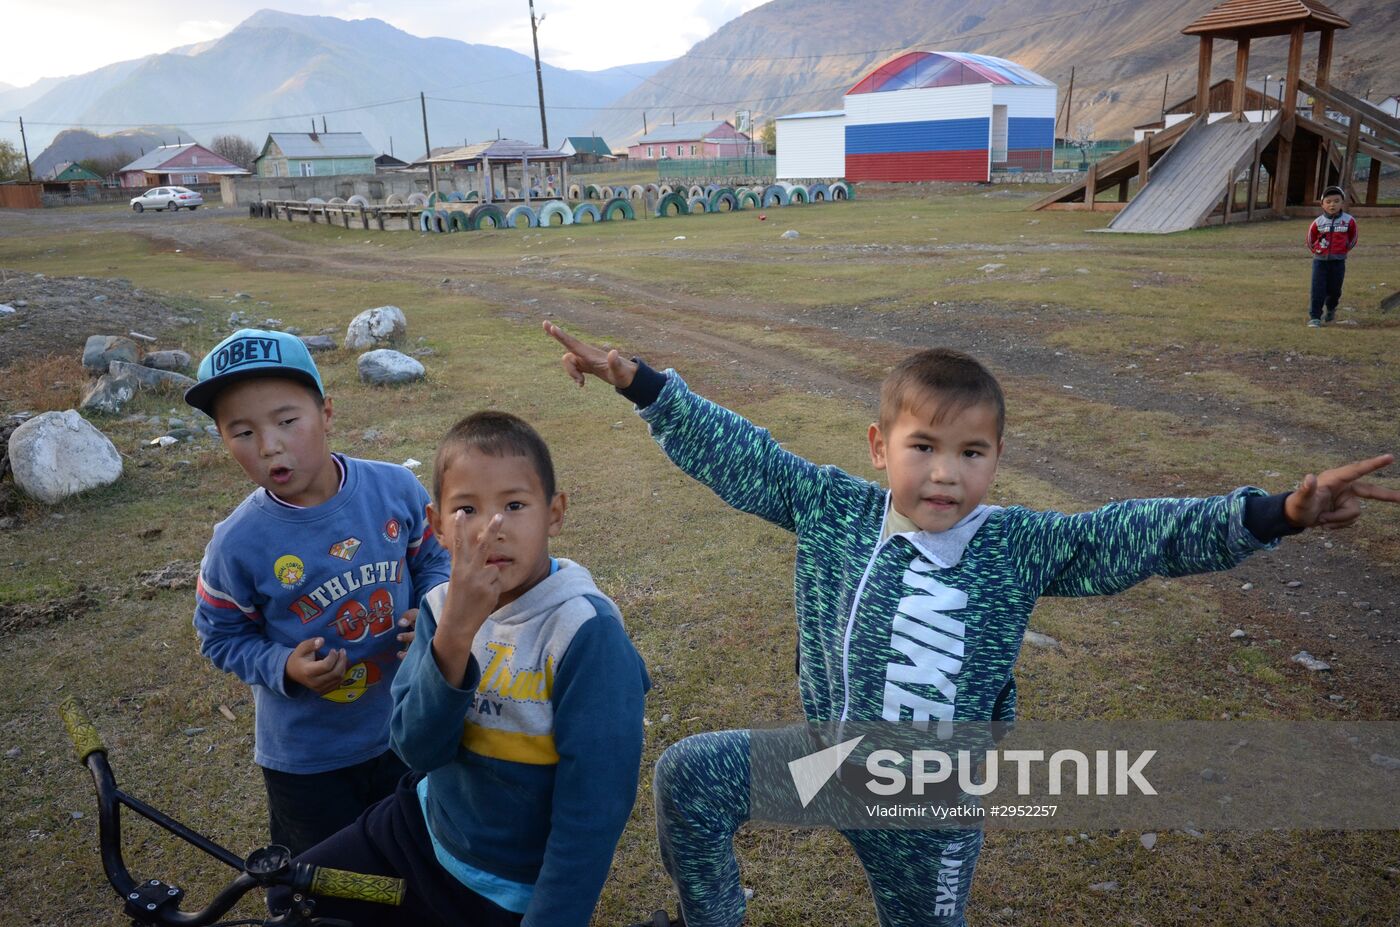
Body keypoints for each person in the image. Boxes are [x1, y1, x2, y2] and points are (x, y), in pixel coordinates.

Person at [543, 320, 1398, 927]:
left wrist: (1276, 512)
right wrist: (641, 384)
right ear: (880, 447)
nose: (946, 474)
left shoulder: (1019, 546)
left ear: (997, 458)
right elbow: (742, 454)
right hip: (828, 763)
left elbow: (1141, 535)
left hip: (930, 812)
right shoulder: (834, 508)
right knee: (690, 778)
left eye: (972, 453)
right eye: (924, 447)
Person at [278, 411, 651, 927]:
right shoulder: (437, 608)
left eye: (515, 505)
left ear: (555, 513)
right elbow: (417, 750)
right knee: (295, 895)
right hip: (418, 832)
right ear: (436, 526)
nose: (491, 529)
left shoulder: (584, 634)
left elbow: (593, 814)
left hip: (505, 884)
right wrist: (453, 634)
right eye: (467, 509)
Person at [186, 329, 451, 856]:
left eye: (287, 421)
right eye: (242, 432)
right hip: (308, 761)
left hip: (406, 726)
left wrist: (432, 606)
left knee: (419, 859)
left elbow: (434, 559)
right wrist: (285, 665)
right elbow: (219, 638)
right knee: (326, 883)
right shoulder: (237, 544)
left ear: (326, 413)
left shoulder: (395, 489)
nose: (269, 446)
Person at [1306, 184, 1358, 327]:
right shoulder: (1318, 222)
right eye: (1328, 202)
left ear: (1342, 203)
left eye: (1336, 201)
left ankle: (1331, 309)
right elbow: (1310, 239)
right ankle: (1315, 317)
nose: (1332, 205)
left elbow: (1353, 238)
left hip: (1338, 261)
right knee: (1318, 289)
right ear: (1322, 204)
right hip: (1320, 261)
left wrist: (1344, 250)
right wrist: (1317, 252)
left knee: (1335, 289)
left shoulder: (1349, 221)